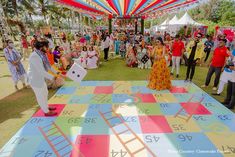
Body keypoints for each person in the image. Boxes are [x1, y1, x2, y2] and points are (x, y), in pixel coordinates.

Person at [28, 40, 62, 116]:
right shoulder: (34, 56)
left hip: (40, 78)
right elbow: (41, 71)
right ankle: (46, 112)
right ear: (41, 47)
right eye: (46, 46)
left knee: (45, 92)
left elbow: (48, 66)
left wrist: (57, 72)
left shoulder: (43, 54)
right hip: (34, 79)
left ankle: (46, 106)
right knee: (40, 95)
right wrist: (53, 77)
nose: (48, 48)